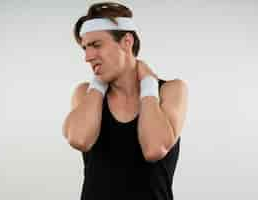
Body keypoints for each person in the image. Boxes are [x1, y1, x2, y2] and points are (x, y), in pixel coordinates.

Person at [62, 2, 188, 200]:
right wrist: (97, 85)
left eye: (96, 45)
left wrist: (147, 85)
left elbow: (154, 148)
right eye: (85, 48)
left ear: (126, 42)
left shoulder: (171, 90)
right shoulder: (84, 93)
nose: (87, 56)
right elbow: (79, 139)